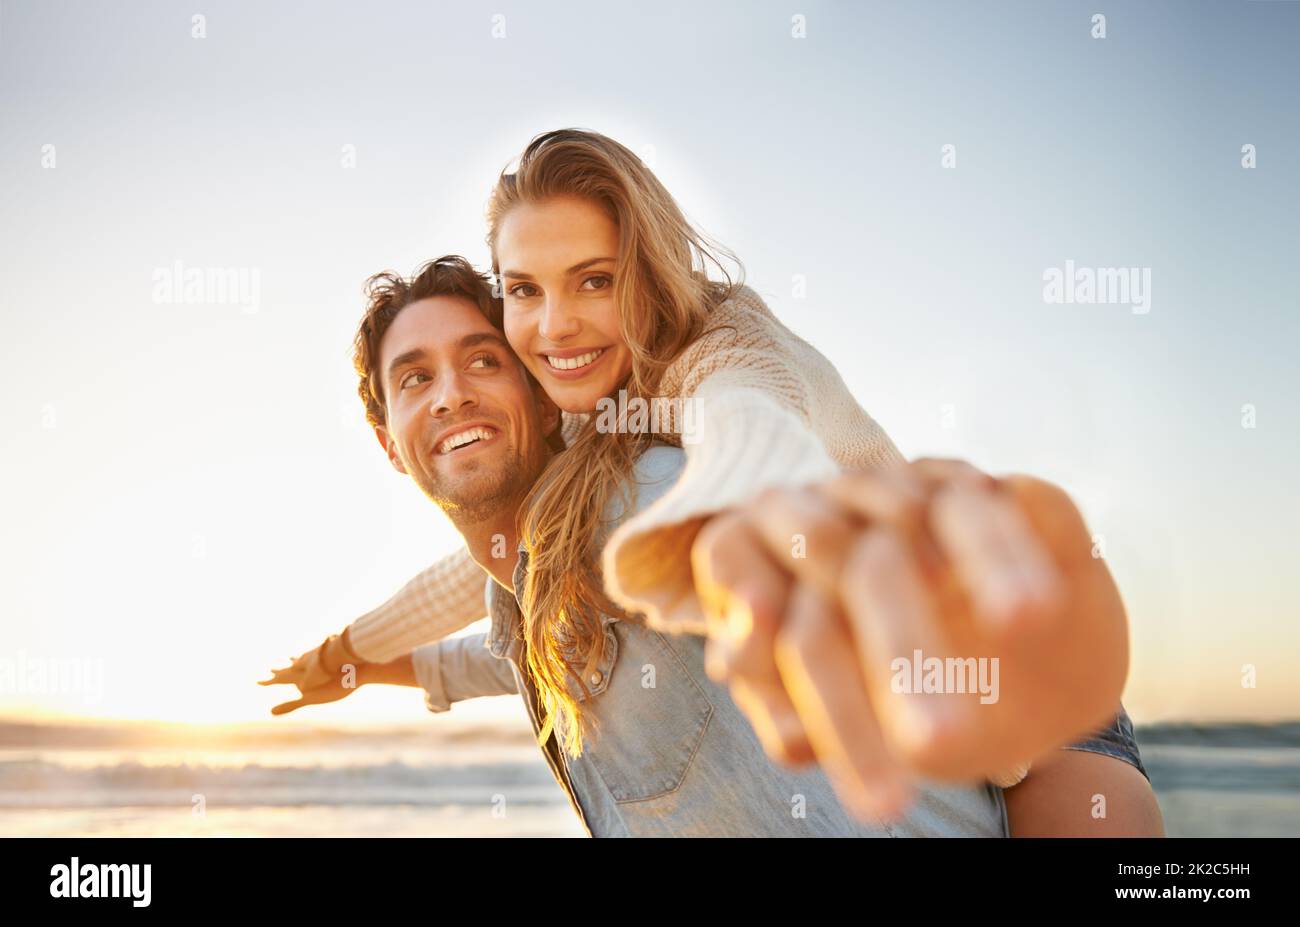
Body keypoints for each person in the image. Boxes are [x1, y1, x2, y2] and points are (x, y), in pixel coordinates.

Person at [268, 128, 1135, 813]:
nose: (556, 326)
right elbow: (492, 596)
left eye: (594, 280)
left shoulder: (724, 350)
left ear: (646, 270)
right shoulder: (579, 444)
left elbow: (749, 422)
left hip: (1015, 678)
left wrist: (736, 523)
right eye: (525, 290)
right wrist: (343, 655)